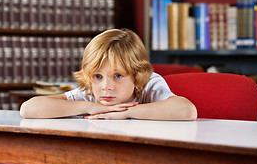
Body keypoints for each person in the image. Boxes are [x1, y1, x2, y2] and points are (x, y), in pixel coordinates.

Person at [20, 28, 197, 120]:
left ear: (137, 76)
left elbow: (186, 111)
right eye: (98, 76)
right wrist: (89, 107)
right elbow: (28, 108)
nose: (106, 86)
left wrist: (126, 113)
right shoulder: (92, 93)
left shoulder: (150, 84)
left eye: (118, 75)